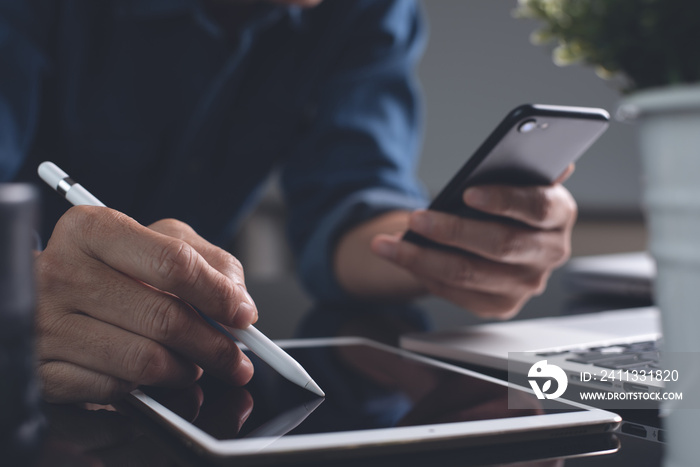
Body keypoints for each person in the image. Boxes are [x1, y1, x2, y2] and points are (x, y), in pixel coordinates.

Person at [0, 0, 577, 404]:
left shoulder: (366, 10)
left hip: (176, 373)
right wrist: (25, 290)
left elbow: (351, 199)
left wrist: (445, 247)